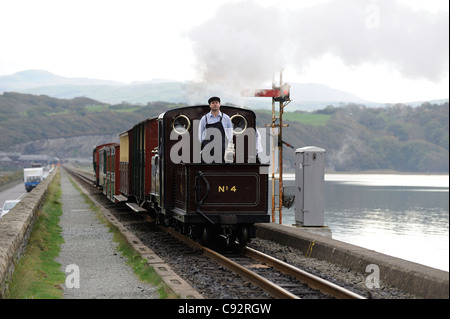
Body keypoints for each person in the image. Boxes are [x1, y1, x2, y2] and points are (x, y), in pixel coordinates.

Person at [198, 96, 233, 162]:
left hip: (221, 148)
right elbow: (200, 133)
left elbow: (230, 133)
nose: (215, 104)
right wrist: (204, 145)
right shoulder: (204, 118)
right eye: (213, 103)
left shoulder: (226, 118)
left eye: (216, 102)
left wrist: (227, 146)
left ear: (219, 104)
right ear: (210, 105)